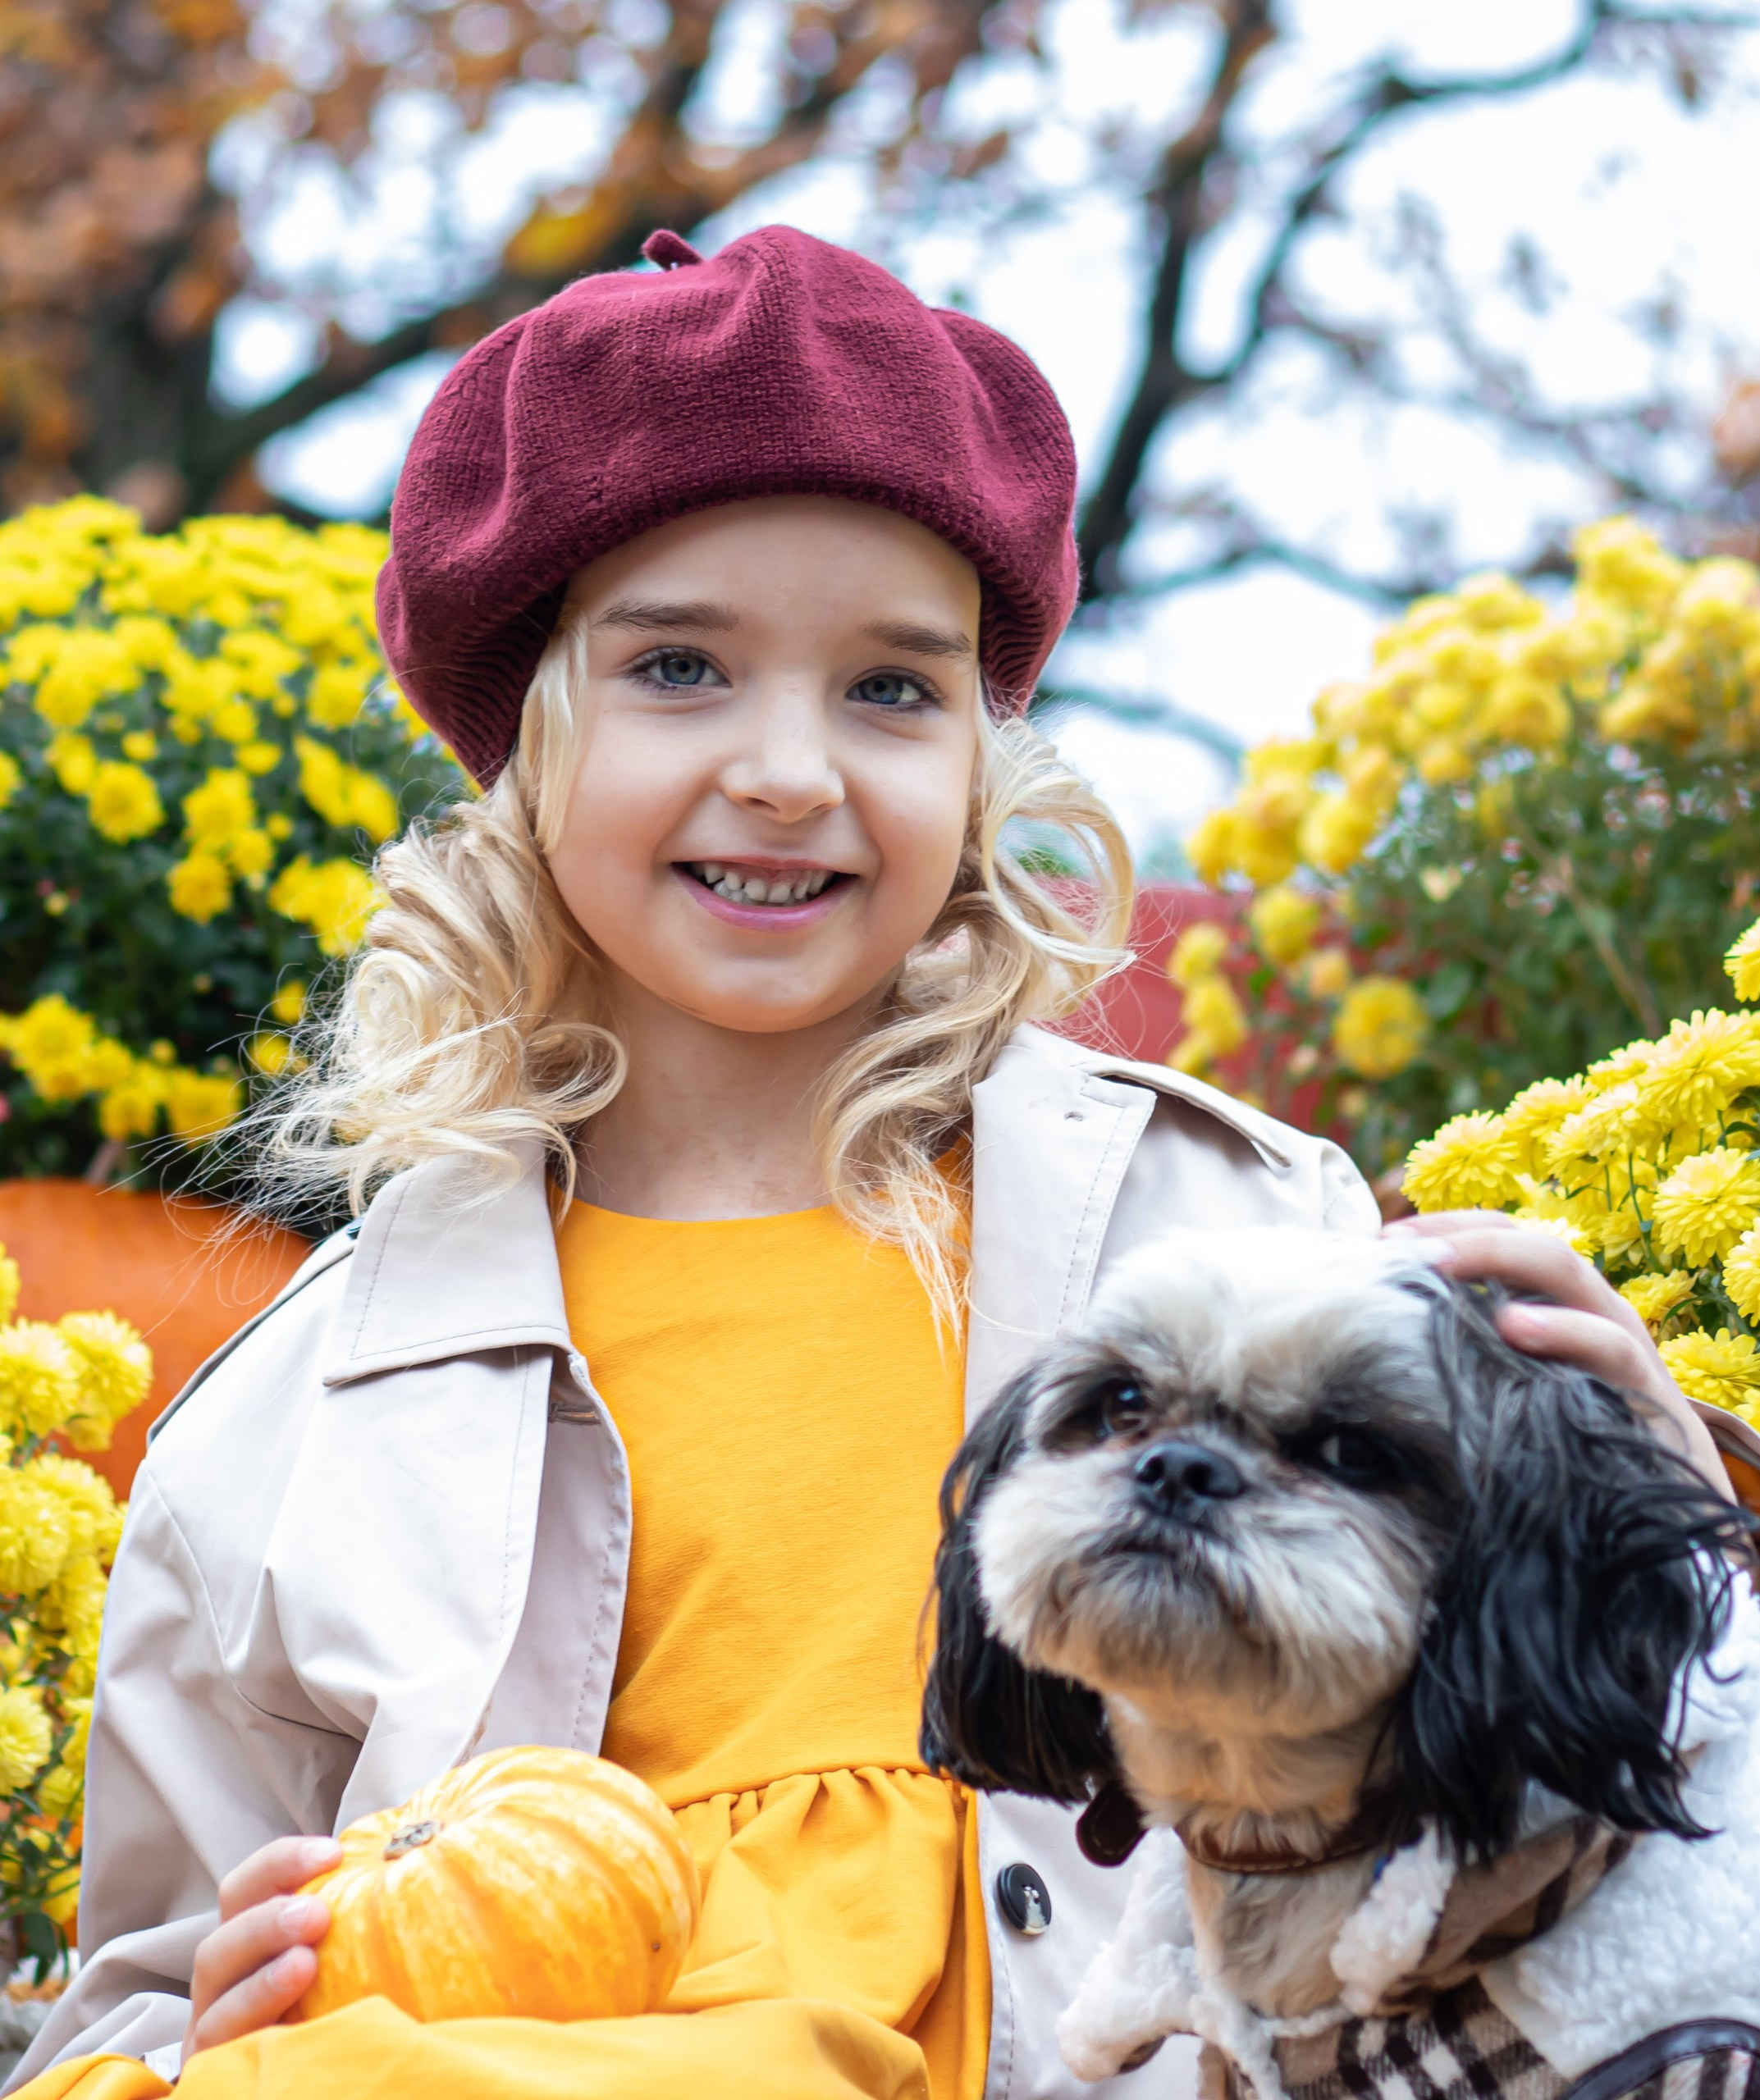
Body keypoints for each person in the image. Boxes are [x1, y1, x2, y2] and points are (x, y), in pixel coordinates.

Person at [8, 226, 1728, 2100]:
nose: (786, 768)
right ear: (522, 745)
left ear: (985, 760)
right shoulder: (299, 1415)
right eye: (677, 665)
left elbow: (1583, 1793)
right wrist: (222, 2006)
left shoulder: (1223, 1224)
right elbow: (126, 2007)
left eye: (890, 689)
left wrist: (1666, 1492)